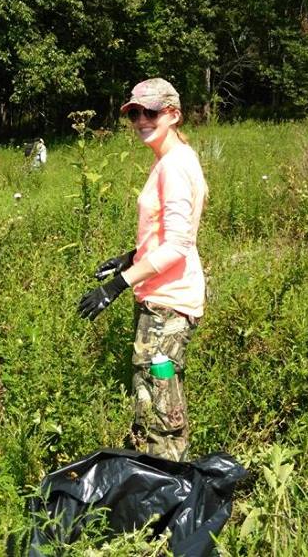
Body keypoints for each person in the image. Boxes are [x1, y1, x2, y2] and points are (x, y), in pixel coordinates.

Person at [77, 78, 208, 462]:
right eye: (135, 113)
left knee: (159, 408)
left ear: (173, 114)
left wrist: (115, 286)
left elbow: (179, 244)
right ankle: (160, 483)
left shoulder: (175, 165)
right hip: (158, 297)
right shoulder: (172, 160)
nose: (141, 120)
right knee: (152, 399)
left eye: (150, 112)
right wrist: (130, 257)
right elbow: (166, 233)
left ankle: (171, 491)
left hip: (169, 303)